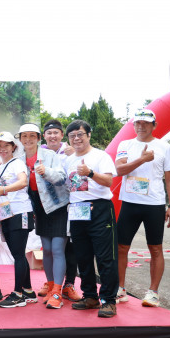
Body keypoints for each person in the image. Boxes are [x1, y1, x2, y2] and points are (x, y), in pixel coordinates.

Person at [115, 109, 170, 307]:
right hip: (129, 203)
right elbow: (119, 170)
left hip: (154, 204)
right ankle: (119, 289)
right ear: (134, 125)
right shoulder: (125, 144)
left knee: (155, 248)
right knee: (121, 247)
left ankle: (153, 293)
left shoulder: (164, 147)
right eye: (138, 123)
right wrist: (142, 159)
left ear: (154, 125)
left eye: (146, 123)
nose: (141, 126)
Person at [64, 120, 119, 318]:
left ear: (88, 135)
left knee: (105, 257)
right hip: (77, 210)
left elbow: (108, 181)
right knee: (83, 256)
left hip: (100, 209)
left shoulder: (100, 156)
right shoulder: (68, 160)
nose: (76, 138)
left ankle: (108, 301)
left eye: (80, 134)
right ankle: (90, 296)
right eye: (72, 136)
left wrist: (90, 173)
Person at [18, 123, 70, 309]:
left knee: (57, 249)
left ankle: (57, 291)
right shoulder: (18, 159)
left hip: (58, 207)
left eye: (32, 136)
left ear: (39, 138)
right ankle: (50, 284)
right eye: (24, 136)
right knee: (46, 249)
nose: (28, 139)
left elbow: (62, 178)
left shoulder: (50, 156)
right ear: (20, 139)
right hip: (39, 209)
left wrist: (46, 171)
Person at [38, 119, 82, 302]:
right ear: (44, 136)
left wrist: (75, 153)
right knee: (50, 249)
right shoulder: (39, 153)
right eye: (49, 133)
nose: (52, 136)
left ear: (62, 135)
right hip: (47, 206)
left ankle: (69, 284)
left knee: (69, 248)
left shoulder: (70, 152)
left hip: (70, 204)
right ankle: (52, 284)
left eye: (56, 132)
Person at [0, 131, 37, 308]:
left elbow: (23, 182)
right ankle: (28, 291)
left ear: (13, 147)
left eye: (7, 145)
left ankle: (17, 294)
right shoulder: (0, 166)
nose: (3, 149)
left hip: (20, 212)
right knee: (18, 254)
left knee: (18, 255)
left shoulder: (17, 163)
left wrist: (3, 190)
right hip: (7, 214)